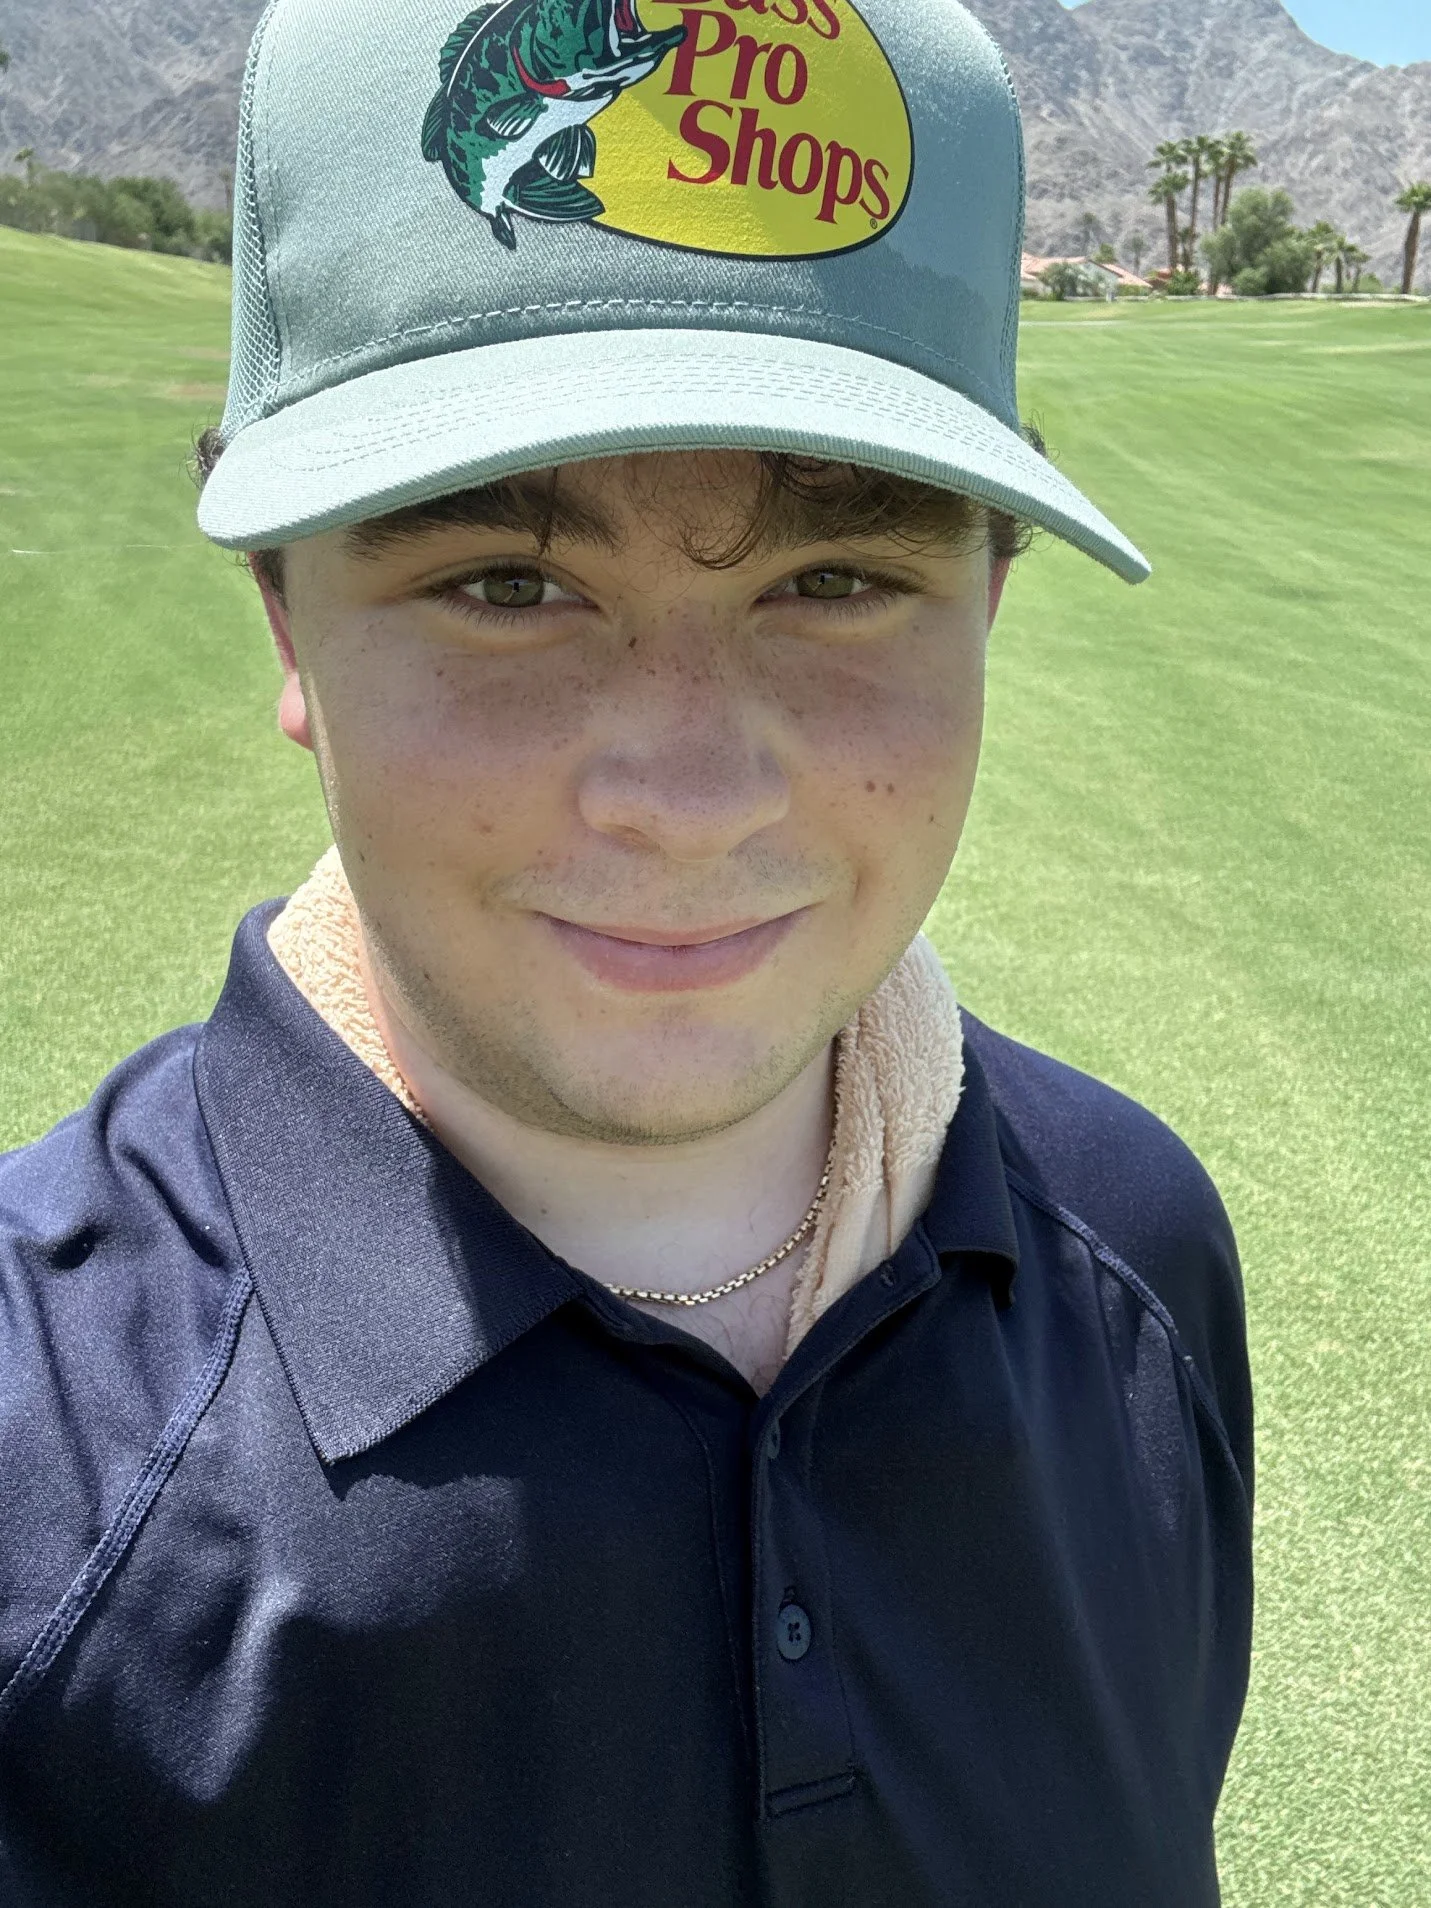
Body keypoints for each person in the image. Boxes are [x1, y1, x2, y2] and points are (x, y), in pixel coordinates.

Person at [0, 0, 1253, 1902]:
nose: (687, 793)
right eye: (505, 585)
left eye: (837, 581)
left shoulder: (1134, 1249)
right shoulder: (39, 1441)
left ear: (985, 600)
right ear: (284, 621)